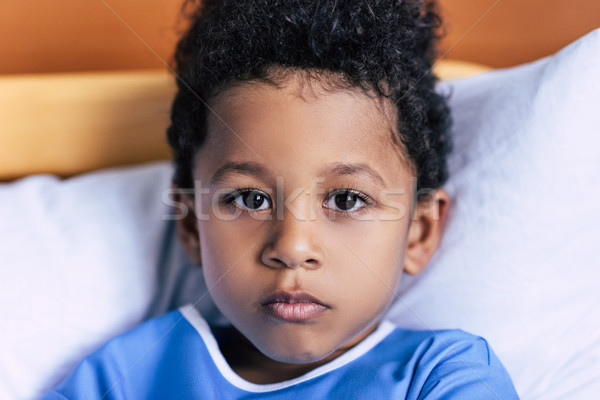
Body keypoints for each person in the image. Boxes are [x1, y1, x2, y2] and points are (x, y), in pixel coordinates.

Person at [42, 0, 519, 398]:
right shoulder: (127, 374)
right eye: (249, 199)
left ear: (419, 231)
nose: (291, 246)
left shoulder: (443, 376)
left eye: (348, 200)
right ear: (189, 224)